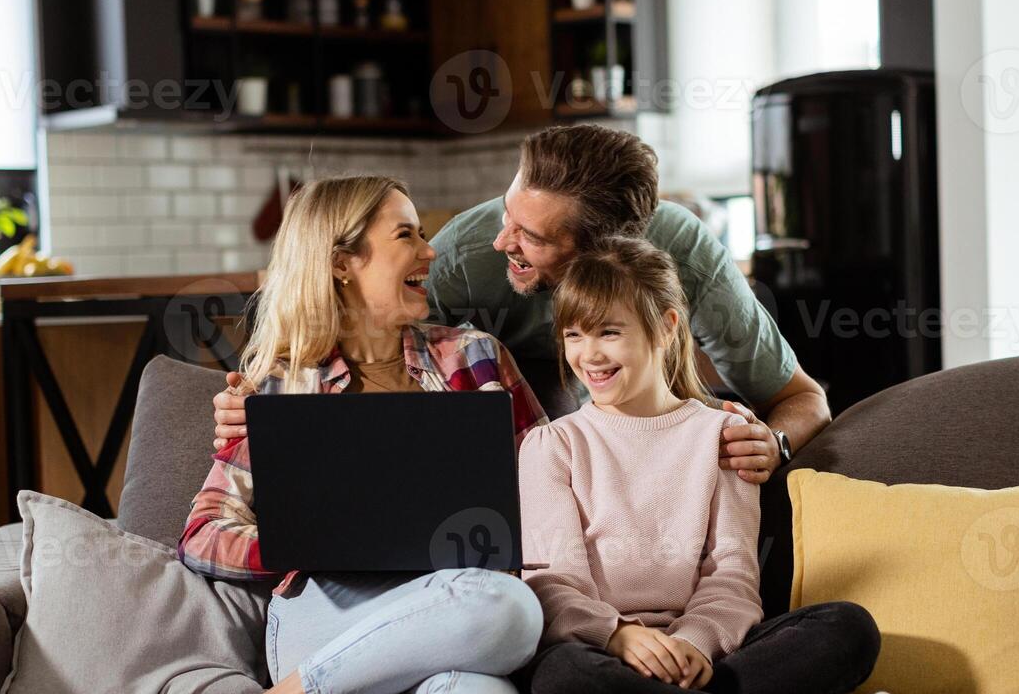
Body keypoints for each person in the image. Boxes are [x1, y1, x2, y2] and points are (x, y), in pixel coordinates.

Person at [87, 176, 547, 694]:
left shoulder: (474, 356)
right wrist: (316, 540)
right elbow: (201, 534)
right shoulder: (284, 385)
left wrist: (692, 416)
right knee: (509, 608)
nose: (429, 252)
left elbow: (550, 478)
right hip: (325, 611)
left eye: (424, 234)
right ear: (341, 264)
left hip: (453, 609)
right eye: (406, 235)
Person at [211, 124, 830, 491]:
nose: (504, 239)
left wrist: (773, 443)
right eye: (509, 213)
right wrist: (267, 405)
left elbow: (804, 399)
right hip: (529, 443)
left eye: (530, 237)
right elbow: (381, 366)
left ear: (601, 252)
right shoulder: (463, 258)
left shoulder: (685, 255)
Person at [517, 238, 920, 694]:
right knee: (565, 680)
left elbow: (731, 574)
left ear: (665, 327)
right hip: (600, 652)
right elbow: (551, 583)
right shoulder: (553, 445)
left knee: (846, 630)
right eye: (574, 335)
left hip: (705, 652)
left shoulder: (724, 435)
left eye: (608, 333)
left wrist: (694, 642)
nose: (587, 355)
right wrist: (618, 637)